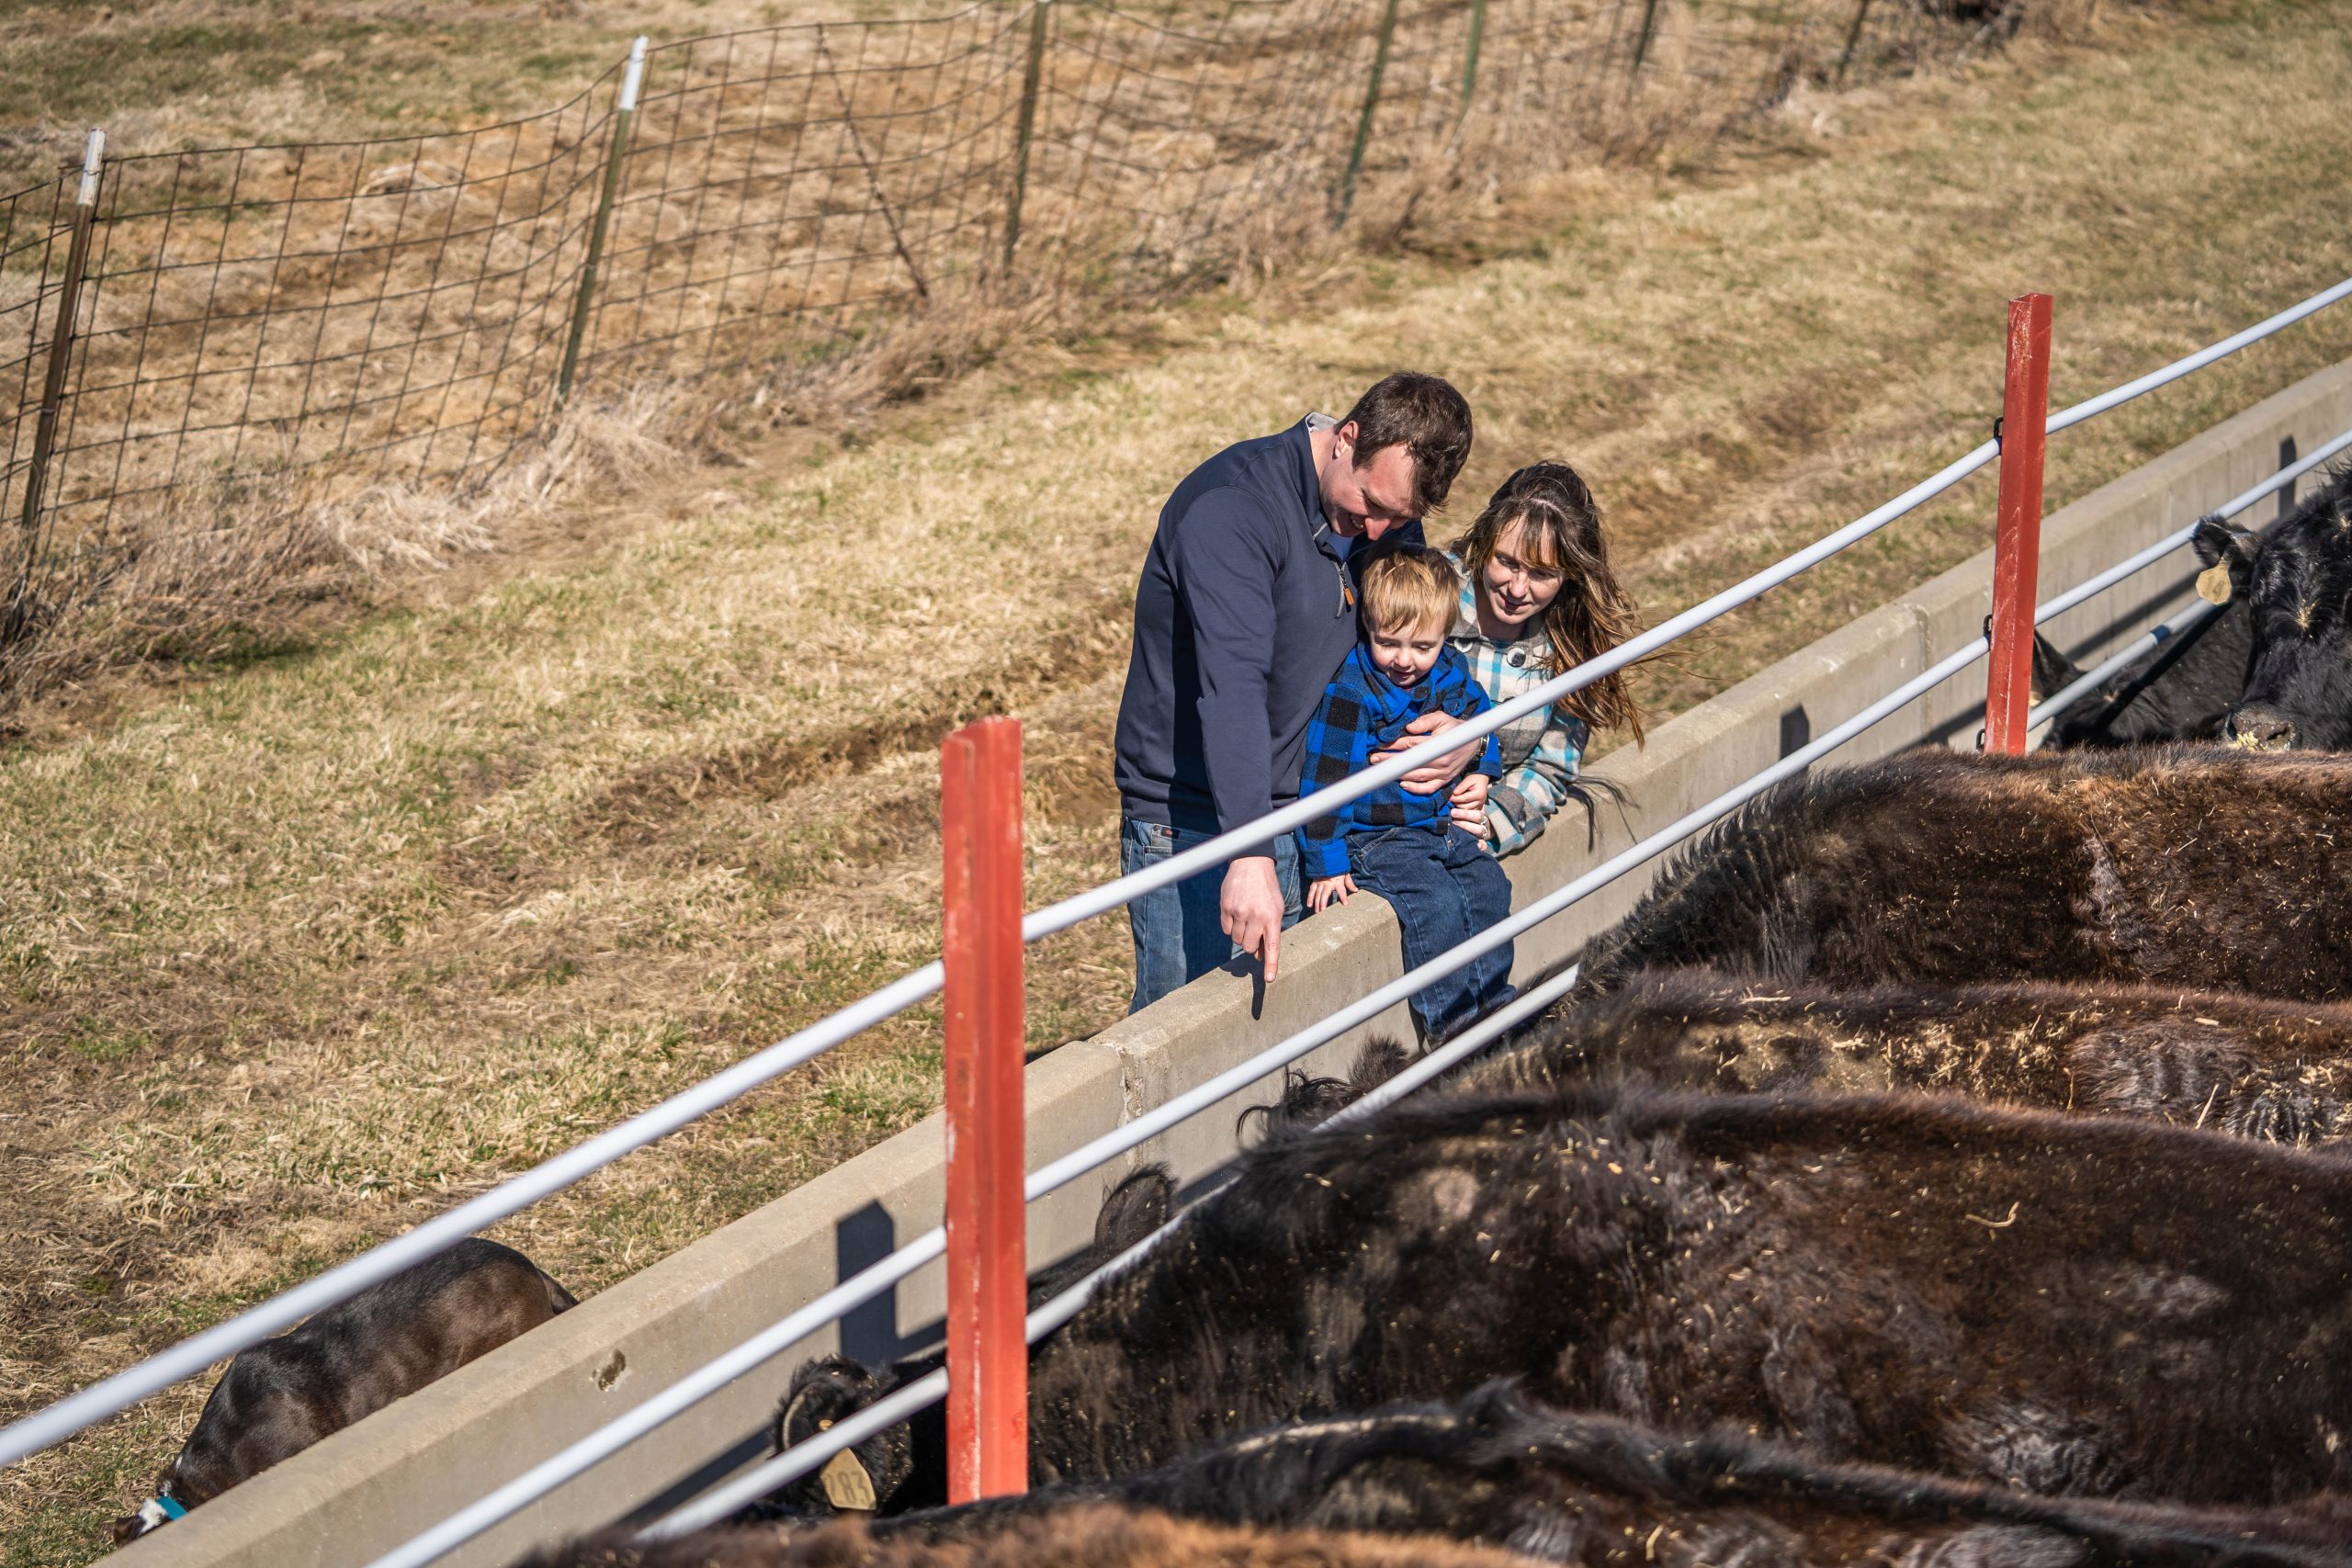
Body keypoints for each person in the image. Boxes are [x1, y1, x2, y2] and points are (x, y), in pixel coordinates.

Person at [1114, 372, 1476, 1013]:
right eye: (1370, 503)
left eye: (1401, 517)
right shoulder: (1233, 512)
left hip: (1313, 811)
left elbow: (1413, 645)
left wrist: (1460, 736)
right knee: (1190, 1046)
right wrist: (1248, 852)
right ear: (1347, 438)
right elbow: (1233, 690)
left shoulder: (1383, 520)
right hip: (1203, 824)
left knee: (1287, 1043)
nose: (1378, 532)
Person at [1296, 545, 1514, 1044]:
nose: (1403, 660)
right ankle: (1452, 1031)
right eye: (1387, 642)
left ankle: (1495, 1010)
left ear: (1444, 636)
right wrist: (1328, 861)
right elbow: (1326, 782)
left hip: (1439, 825)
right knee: (1435, 904)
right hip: (1379, 838)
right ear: (1368, 626)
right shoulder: (1352, 695)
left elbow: (1483, 718)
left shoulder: (1450, 672)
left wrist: (1484, 760)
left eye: (1422, 646)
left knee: (1488, 888)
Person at [1443, 461, 1645, 857]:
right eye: (1507, 562)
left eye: (1541, 574)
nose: (1517, 588)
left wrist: (1488, 825)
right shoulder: (1428, 592)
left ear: (1570, 573)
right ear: (1484, 540)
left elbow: (1548, 768)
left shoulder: (1573, 646)